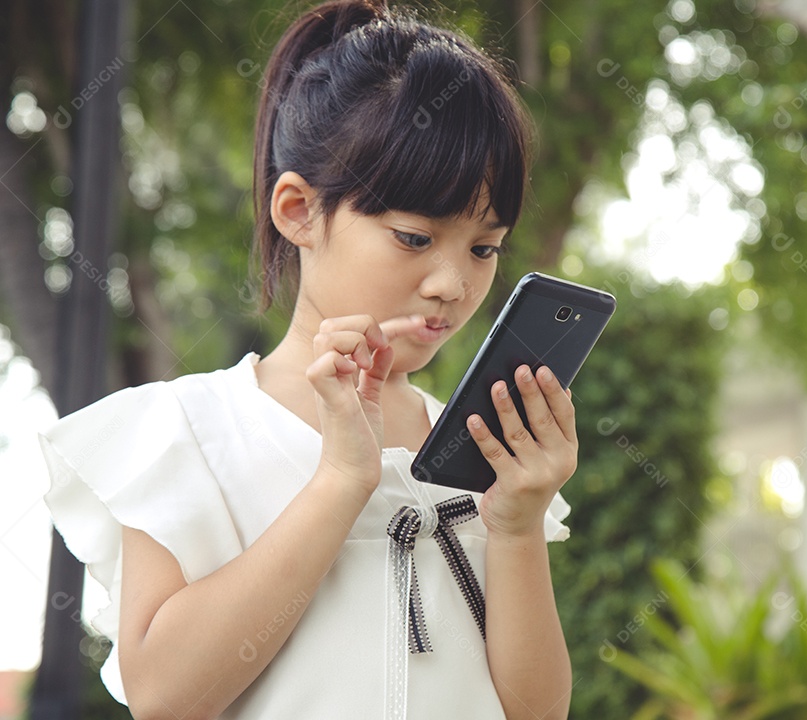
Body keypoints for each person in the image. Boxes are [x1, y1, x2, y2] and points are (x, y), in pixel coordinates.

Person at [38, 1, 577, 717]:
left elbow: (534, 711)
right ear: (296, 211)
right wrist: (341, 481)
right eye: (414, 237)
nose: (454, 284)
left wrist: (514, 525)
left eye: (483, 247)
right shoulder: (188, 431)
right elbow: (163, 696)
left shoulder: (484, 453)